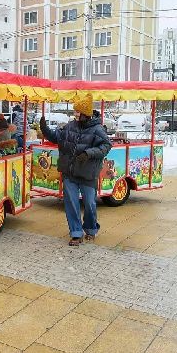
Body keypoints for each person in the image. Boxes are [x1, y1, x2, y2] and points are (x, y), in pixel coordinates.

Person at [39, 95, 112, 247]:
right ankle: (76, 233)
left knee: (89, 204)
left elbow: (106, 146)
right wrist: (45, 129)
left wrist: (88, 153)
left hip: (87, 173)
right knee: (71, 203)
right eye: (76, 111)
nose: (76, 114)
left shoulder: (97, 129)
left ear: (86, 113)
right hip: (70, 172)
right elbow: (57, 137)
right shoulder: (70, 126)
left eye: (78, 111)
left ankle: (91, 228)